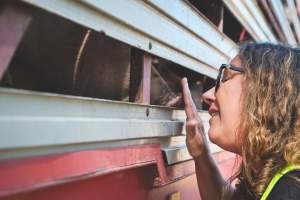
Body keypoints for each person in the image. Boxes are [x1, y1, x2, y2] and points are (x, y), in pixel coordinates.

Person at [181, 42, 300, 199]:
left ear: (266, 94)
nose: (207, 96)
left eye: (226, 77)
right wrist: (201, 153)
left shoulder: (291, 191)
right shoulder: (283, 177)